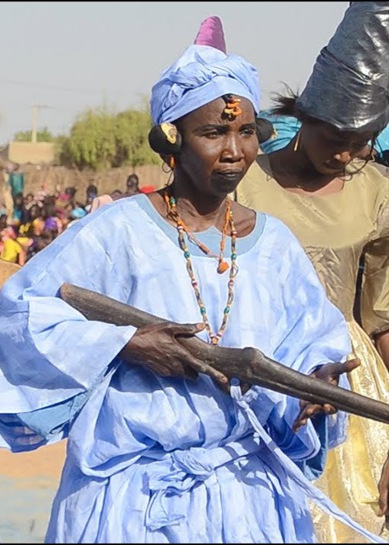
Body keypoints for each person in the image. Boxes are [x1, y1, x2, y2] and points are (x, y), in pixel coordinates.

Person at [0, 17, 379, 543]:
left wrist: (317, 387)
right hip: (130, 504)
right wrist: (126, 344)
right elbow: (19, 318)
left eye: (245, 131)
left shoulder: (275, 245)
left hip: (247, 499)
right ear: (171, 142)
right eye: (213, 132)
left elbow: (312, 342)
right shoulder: (115, 232)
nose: (234, 149)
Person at [233, 3, 389, 540]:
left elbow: (382, 320)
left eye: (362, 142)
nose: (346, 156)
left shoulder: (379, 193)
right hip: (254, 370)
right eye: (335, 137)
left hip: (348, 382)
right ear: (306, 116)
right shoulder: (243, 182)